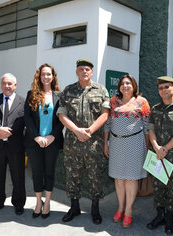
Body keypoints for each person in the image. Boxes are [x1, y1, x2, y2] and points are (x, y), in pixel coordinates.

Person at [57, 59, 110, 225]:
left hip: (94, 143)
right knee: (73, 176)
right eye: (81, 69)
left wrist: (89, 131)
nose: (84, 72)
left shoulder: (101, 90)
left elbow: (105, 114)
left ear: (92, 72)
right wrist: (76, 131)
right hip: (73, 143)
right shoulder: (68, 90)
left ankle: (95, 209)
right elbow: (62, 114)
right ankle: (74, 207)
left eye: (87, 69)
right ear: (76, 72)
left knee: (95, 177)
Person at [103, 74, 150, 228]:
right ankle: (120, 207)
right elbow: (108, 124)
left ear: (134, 85)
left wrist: (148, 147)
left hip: (135, 143)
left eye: (128, 83)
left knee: (131, 178)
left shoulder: (142, 102)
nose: (125, 86)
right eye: (123, 83)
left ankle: (128, 210)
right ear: (119, 87)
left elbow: (147, 126)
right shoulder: (113, 101)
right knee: (118, 178)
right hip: (116, 143)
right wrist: (105, 143)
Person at [146, 76, 173, 234]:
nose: (163, 90)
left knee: (172, 190)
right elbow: (151, 130)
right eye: (161, 88)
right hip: (157, 156)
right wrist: (157, 148)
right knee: (158, 189)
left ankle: (169, 220)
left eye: (166, 87)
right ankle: (160, 216)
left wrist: (165, 149)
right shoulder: (155, 108)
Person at [24, 63, 64, 219]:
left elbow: (62, 119)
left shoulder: (59, 96)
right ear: (38, 77)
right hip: (35, 141)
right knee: (37, 172)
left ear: (53, 76)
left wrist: (52, 136)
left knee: (49, 171)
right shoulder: (31, 94)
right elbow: (27, 118)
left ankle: (47, 201)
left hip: (52, 141)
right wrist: (37, 136)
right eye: (43, 74)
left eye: (49, 74)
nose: (46, 77)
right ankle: (38, 202)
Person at [0, 73, 26, 216]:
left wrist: (9, 131)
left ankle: (19, 204)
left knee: (18, 177)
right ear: (1, 85)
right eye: (4, 83)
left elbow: (23, 120)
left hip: (15, 146)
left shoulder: (23, 101)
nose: (7, 86)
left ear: (15, 85)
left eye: (10, 84)